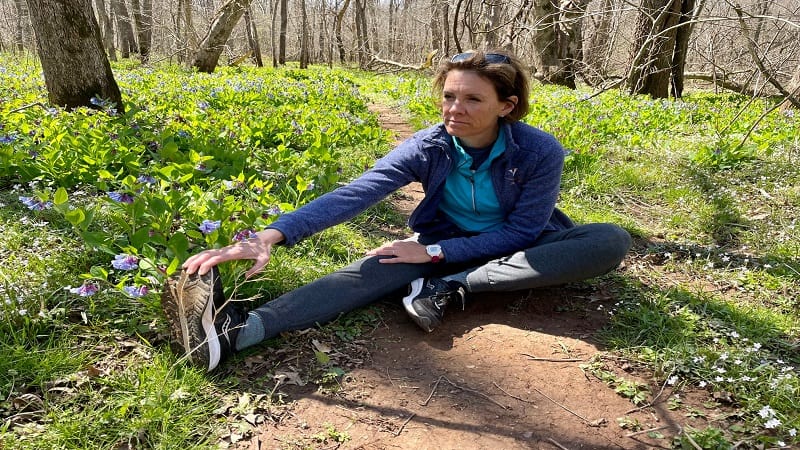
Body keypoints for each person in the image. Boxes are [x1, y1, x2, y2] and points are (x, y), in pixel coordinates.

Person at [161, 50, 632, 372]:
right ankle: (238, 331)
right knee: (368, 270)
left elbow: (523, 230)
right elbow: (357, 192)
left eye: (472, 99)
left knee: (610, 239)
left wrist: (436, 260)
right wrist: (270, 235)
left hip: (517, 249)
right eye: (449, 95)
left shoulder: (539, 151)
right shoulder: (428, 146)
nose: (455, 109)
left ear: (507, 106)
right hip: (442, 241)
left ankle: (452, 288)